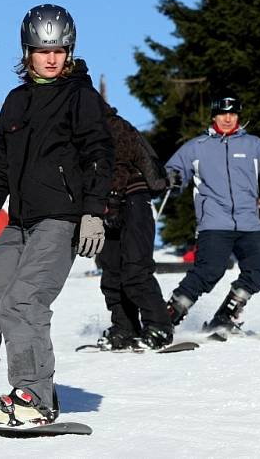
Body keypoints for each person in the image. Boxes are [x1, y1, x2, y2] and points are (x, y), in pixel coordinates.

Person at [0, 4, 113, 426]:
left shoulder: (81, 97)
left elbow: (100, 156)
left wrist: (93, 213)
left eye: (59, 50)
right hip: (19, 223)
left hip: (61, 220)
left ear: (70, 50)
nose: (51, 58)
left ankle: (34, 395)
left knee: (23, 303)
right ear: (26, 51)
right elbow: (1, 169)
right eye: (41, 50)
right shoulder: (16, 102)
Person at [164, 91, 260, 332]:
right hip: (214, 222)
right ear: (214, 115)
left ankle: (226, 316)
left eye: (232, 113)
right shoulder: (197, 147)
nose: (227, 118)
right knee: (209, 270)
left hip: (249, 222)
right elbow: (173, 171)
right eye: (222, 113)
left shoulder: (254, 145)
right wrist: (173, 179)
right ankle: (166, 317)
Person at [96, 103, 173, 351]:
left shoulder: (110, 123)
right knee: (111, 271)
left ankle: (159, 326)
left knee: (135, 269)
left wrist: (116, 197)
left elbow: (119, 160)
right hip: (107, 205)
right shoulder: (73, 127)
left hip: (132, 199)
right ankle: (124, 327)